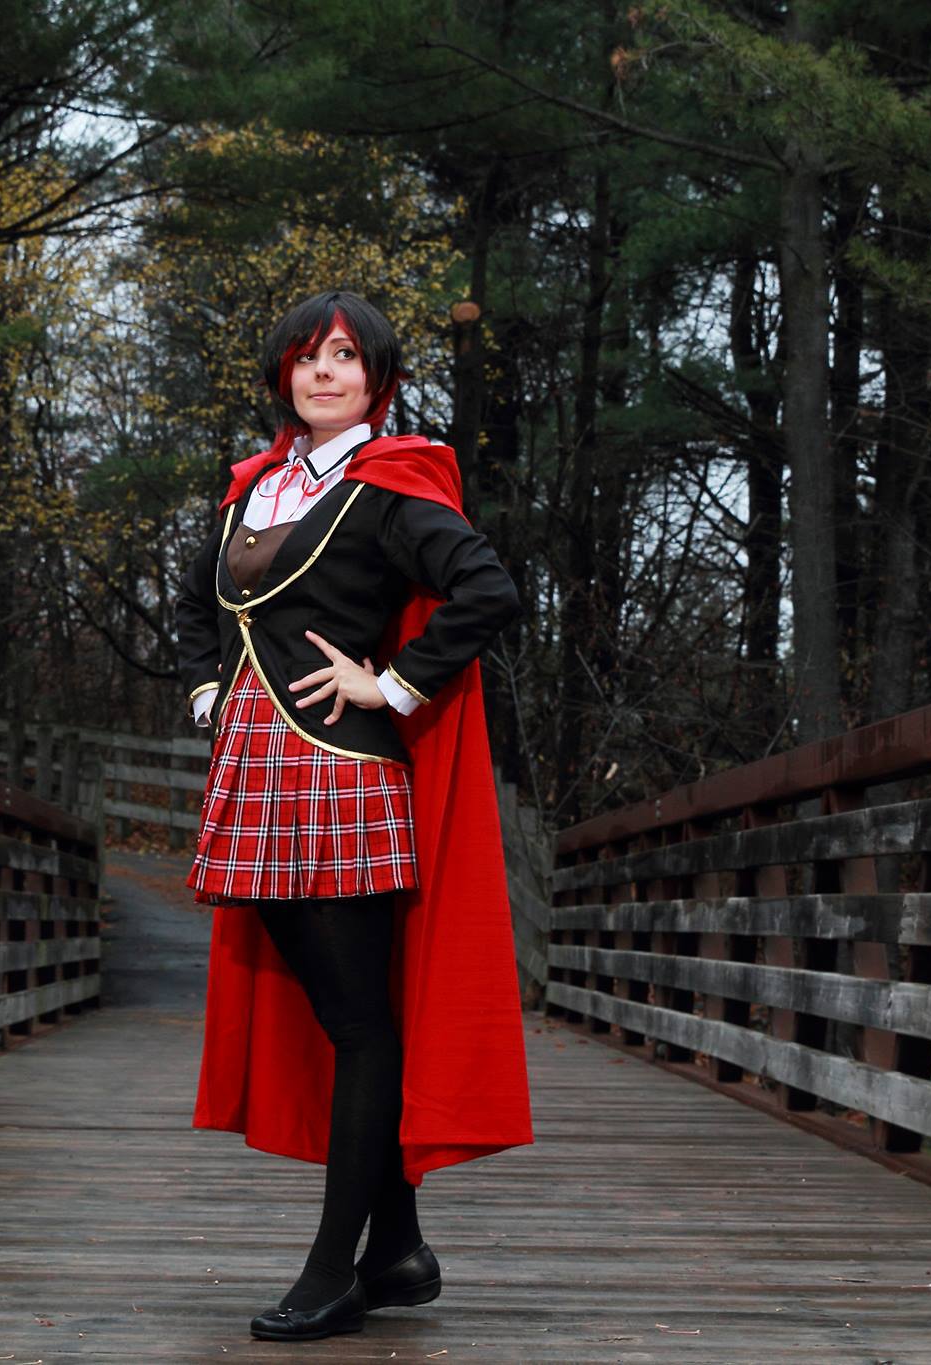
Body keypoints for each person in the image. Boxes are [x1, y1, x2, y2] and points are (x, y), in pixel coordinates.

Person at [175, 289, 535, 1342]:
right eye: (305, 357)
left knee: (358, 1026)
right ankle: (398, 1250)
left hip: (341, 778)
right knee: (345, 1020)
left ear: (376, 378)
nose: (322, 372)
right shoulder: (253, 488)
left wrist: (396, 683)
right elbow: (198, 602)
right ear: (281, 375)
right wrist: (207, 689)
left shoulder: (389, 488)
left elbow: (486, 589)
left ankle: (335, 1270)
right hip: (253, 777)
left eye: (343, 356)